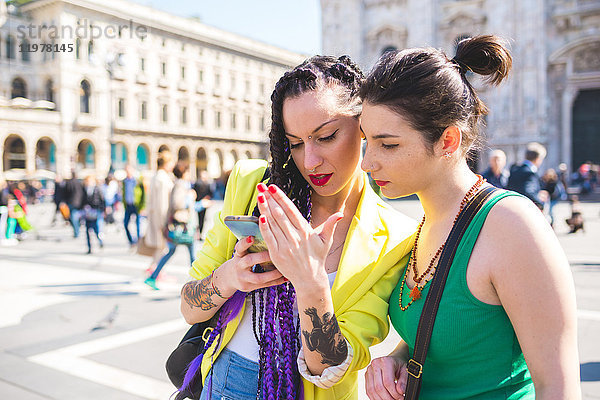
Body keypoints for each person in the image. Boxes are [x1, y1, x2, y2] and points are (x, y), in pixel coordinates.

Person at [178, 56, 417, 400]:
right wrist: (232, 276)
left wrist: (311, 283)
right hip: (225, 382)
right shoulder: (253, 184)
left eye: (326, 136)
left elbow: (331, 371)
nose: (310, 161)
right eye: (296, 142)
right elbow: (189, 308)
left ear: (362, 124)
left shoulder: (396, 236)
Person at [359, 35, 580, 399]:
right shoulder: (426, 222)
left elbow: (559, 388)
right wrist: (399, 357)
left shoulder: (511, 225)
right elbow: (452, 336)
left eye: (389, 144)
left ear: (447, 141)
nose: (367, 162)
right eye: (368, 141)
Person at [144, 161, 196, 290]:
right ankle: (196, 284)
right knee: (192, 256)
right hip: (183, 226)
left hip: (180, 225)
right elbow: (177, 204)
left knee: (172, 251)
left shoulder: (180, 184)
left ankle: (153, 277)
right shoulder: (180, 185)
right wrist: (190, 198)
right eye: (188, 171)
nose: (190, 174)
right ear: (184, 173)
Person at [143, 150, 175, 272]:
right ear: (166, 163)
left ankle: (154, 269)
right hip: (161, 217)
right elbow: (163, 203)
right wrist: (164, 222)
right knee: (163, 247)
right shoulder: (163, 178)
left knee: (160, 247)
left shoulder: (156, 176)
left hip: (155, 215)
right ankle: (155, 271)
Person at [507, 142, 548, 209]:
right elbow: (528, 192)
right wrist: (540, 203)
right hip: (524, 209)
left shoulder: (514, 170)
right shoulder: (530, 174)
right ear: (538, 159)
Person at [122, 165, 145, 246]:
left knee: (138, 225)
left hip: (137, 205)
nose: (128, 172)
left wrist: (142, 207)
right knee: (125, 224)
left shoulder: (137, 181)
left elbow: (144, 195)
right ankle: (132, 241)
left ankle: (139, 242)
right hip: (128, 205)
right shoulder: (124, 181)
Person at [82, 175, 105, 254]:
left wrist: (103, 210)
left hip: (96, 211)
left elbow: (102, 200)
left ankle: (100, 241)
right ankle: (89, 247)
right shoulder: (84, 189)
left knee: (96, 228)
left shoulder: (97, 189)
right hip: (87, 212)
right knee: (87, 230)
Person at [64, 170, 85, 238]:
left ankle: (76, 232)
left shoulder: (69, 183)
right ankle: (77, 229)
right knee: (75, 216)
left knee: (73, 217)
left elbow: (66, 193)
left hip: (71, 202)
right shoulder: (79, 183)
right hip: (78, 202)